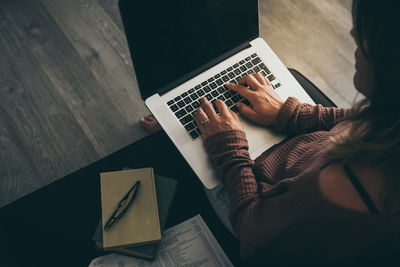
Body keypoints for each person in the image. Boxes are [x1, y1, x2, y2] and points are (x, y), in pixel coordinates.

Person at [141, 0, 400, 264]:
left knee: (192, 142)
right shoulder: (391, 122)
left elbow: (253, 235)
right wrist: (288, 114)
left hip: (253, 206)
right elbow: (359, 119)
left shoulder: (338, 192)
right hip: (299, 161)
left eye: (366, 36)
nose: (353, 33)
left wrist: (228, 149)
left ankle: (175, 125)